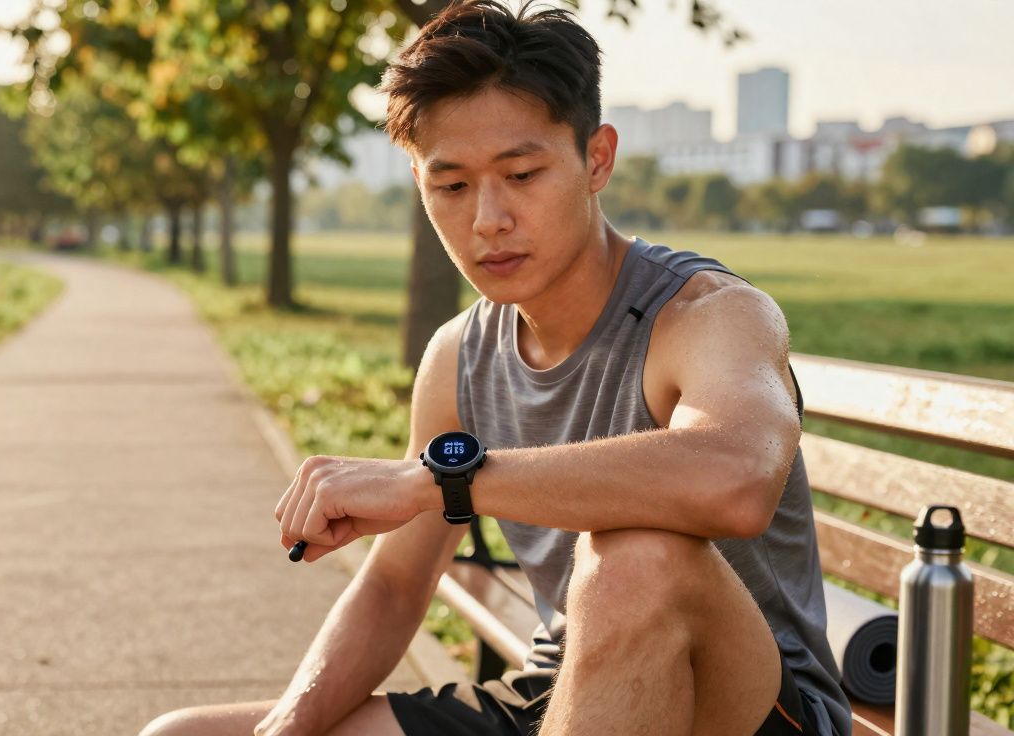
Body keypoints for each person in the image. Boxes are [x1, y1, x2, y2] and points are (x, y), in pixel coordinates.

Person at [140, 1, 852, 734]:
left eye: (521, 173)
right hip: (560, 693)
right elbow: (393, 584)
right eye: (451, 187)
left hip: (752, 709)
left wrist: (437, 481)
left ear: (596, 159)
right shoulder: (461, 353)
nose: (488, 219)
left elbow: (735, 479)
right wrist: (284, 728)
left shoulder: (707, 315)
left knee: (633, 554)